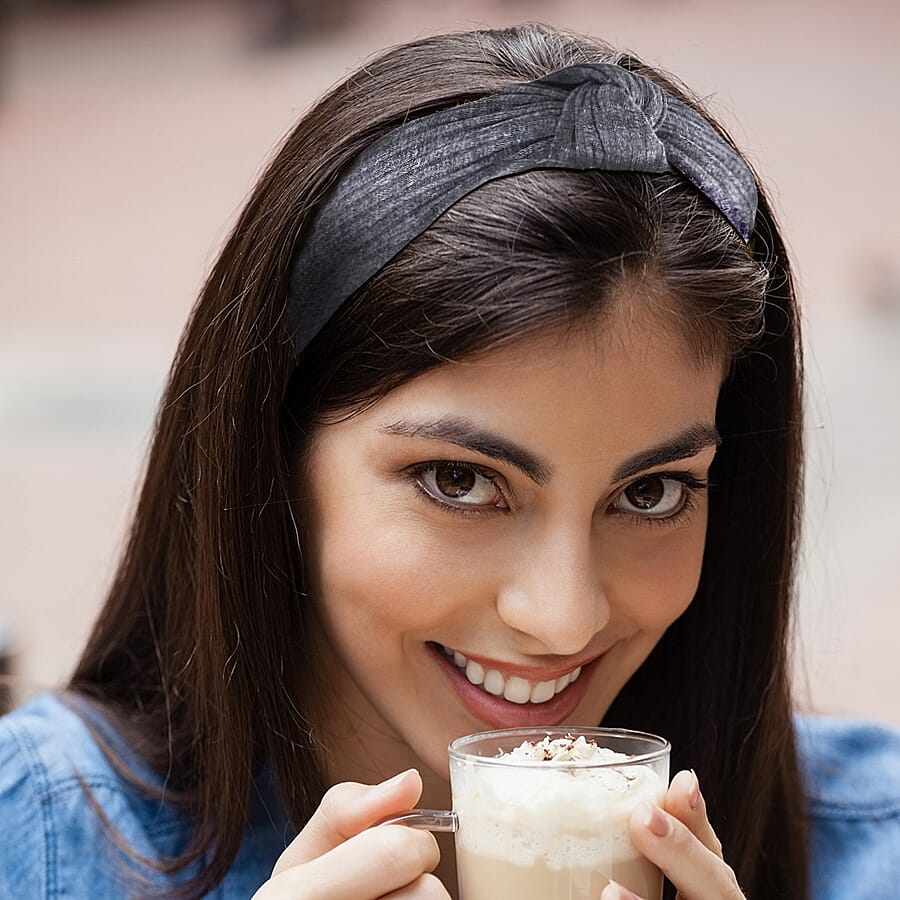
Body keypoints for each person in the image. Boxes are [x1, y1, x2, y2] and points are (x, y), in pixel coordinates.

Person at [1, 22, 898, 900]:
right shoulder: (42, 842)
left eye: (652, 492)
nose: (560, 619)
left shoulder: (872, 848)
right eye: (460, 482)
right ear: (272, 455)